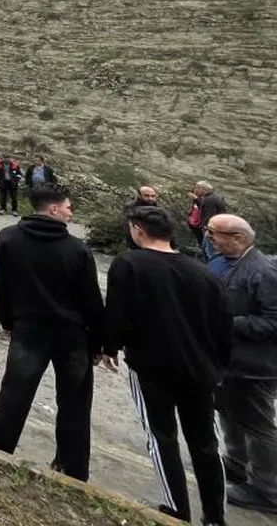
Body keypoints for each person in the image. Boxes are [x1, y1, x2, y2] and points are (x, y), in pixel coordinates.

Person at [102, 204, 230, 525]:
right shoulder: (203, 272)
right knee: (206, 443)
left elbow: (118, 312)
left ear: (137, 230)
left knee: (161, 437)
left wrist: (109, 346)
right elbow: (222, 324)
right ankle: (215, 516)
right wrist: (219, 367)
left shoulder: (129, 263)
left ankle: (176, 510)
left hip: (152, 366)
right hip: (200, 369)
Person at [0, 183, 104, 482]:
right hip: (73, 337)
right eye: (68, 207)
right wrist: (98, 343)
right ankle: (72, 468)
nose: (71, 212)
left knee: (14, 393)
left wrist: (7, 320)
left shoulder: (8, 238)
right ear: (53, 208)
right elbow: (92, 302)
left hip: (29, 331)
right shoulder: (77, 249)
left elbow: (1, 285)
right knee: (74, 403)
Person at [205, 213, 277, 514]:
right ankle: (235, 465)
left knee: (258, 426)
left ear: (237, 238)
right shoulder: (222, 262)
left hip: (255, 368)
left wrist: (229, 322)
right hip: (229, 361)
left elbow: (273, 322)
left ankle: (268, 490)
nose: (208, 237)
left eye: (214, 232)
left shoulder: (263, 272)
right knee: (229, 413)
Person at [188, 182, 228, 254]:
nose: (194, 190)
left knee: (209, 250)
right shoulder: (211, 197)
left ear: (202, 189)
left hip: (211, 229)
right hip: (214, 228)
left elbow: (209, 215)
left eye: (196, 188)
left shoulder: (209, 200)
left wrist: (202, 227)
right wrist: (196, 200)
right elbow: (203, 206)